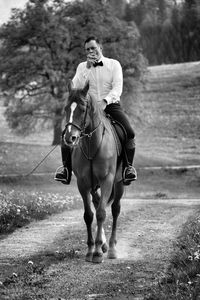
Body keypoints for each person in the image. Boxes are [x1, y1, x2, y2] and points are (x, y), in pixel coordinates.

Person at [54, 36, 137, 185]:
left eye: (93, 48)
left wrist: (105, 101)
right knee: (66, 133)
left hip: (110, 105)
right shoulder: (82, 67)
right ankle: (65, 170)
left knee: (129, 132)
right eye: (87, 49)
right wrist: (86, 68)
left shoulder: (113, 64)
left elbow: (117, 88)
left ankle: (127, 168)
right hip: (88, 108)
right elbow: (74, 86)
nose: (91, 51)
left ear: (100, 47)